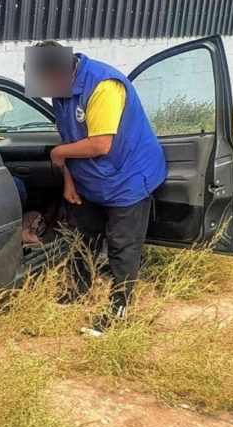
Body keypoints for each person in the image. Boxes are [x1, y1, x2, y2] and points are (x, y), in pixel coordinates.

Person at [28, 40, 168, 336]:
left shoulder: (104, 86)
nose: (48, 93)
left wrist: (60, 154)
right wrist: (69, 180)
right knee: (82, 236)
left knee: (121, 246)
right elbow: (67, 133)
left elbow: (101, 144)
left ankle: (119, 309)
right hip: (90, 179)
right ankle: (78, 290)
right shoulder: (60, 88)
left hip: (129, 175)